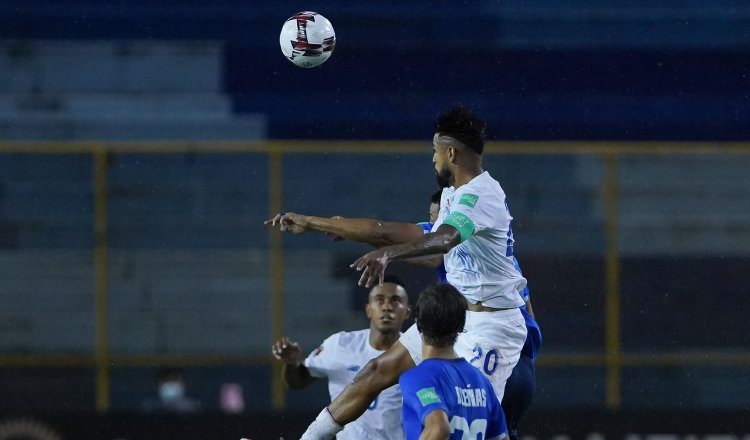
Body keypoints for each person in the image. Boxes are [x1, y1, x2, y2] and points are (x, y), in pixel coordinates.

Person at [267, 105, 527, 440]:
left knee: (463, 423)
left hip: (492, 330)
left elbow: (442, 240)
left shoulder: (480, 195)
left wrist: (389, 253)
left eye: (435, 151)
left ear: (450, 152)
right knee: (378, 370)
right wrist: (316, 223)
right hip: (457, 321)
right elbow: (391, 230)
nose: (433, 159)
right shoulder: (454, 195)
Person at [271, 277, 411, 440]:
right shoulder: (340, 345)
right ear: (368, 309)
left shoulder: (415, 353)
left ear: (407, 311)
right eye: (379, 300)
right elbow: (297, 382)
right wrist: (292, 363)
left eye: (395, 300)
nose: (387, 307)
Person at [400, 284, 506, 440]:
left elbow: (439, 428)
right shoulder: (481, 381)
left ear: (418, 325)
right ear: (461, 326)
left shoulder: (417, 378)